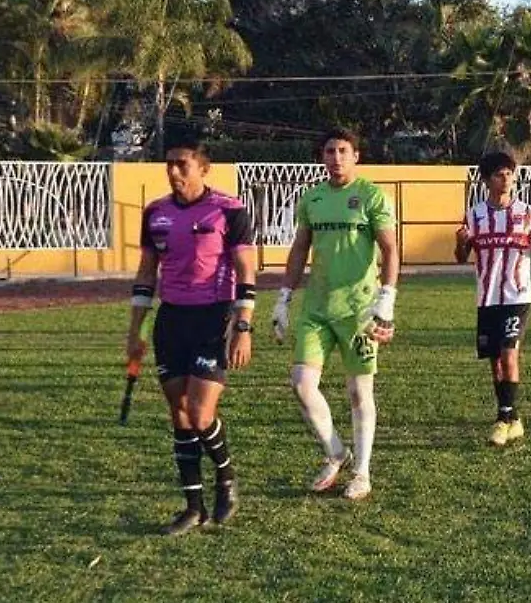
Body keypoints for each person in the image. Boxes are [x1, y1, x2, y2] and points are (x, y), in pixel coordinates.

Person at [126, 136, 255, 535]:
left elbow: (247, 271)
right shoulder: (155, 213)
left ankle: (227, 479)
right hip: (172, 320)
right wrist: (136, 330)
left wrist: (243, 326)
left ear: (203, 168)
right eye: (169, 164)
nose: (174, 171)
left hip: (213, 318)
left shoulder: (229, 211)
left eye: (182, 164)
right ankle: (192, 507)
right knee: (179, 413)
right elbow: (147, 273)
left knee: (201, 414)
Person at [274, 128, 399, 502]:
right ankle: (335, 452)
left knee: (360, 393)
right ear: (322, 157)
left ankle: (361, 472)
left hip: (359, 311)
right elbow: (299, 250)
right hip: (317, 307)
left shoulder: (371, 196)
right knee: (300, 383)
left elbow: (390, 249)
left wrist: (386, 298)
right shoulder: (312, 199)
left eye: (343, 151)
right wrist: (283, 298)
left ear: (356, 156)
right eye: (330, 151)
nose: (336, 157)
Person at [456, 152, 531, 446]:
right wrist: (460, 243)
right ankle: (514, 418)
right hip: (487, 298)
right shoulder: (474, 215)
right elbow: (461, 258)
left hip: (517, 296)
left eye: (510, 173)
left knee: (510, 353)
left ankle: (502, 419)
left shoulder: (528, 212)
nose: (507, 179)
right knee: (495, 361)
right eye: (500, 174)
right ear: (487, 180)